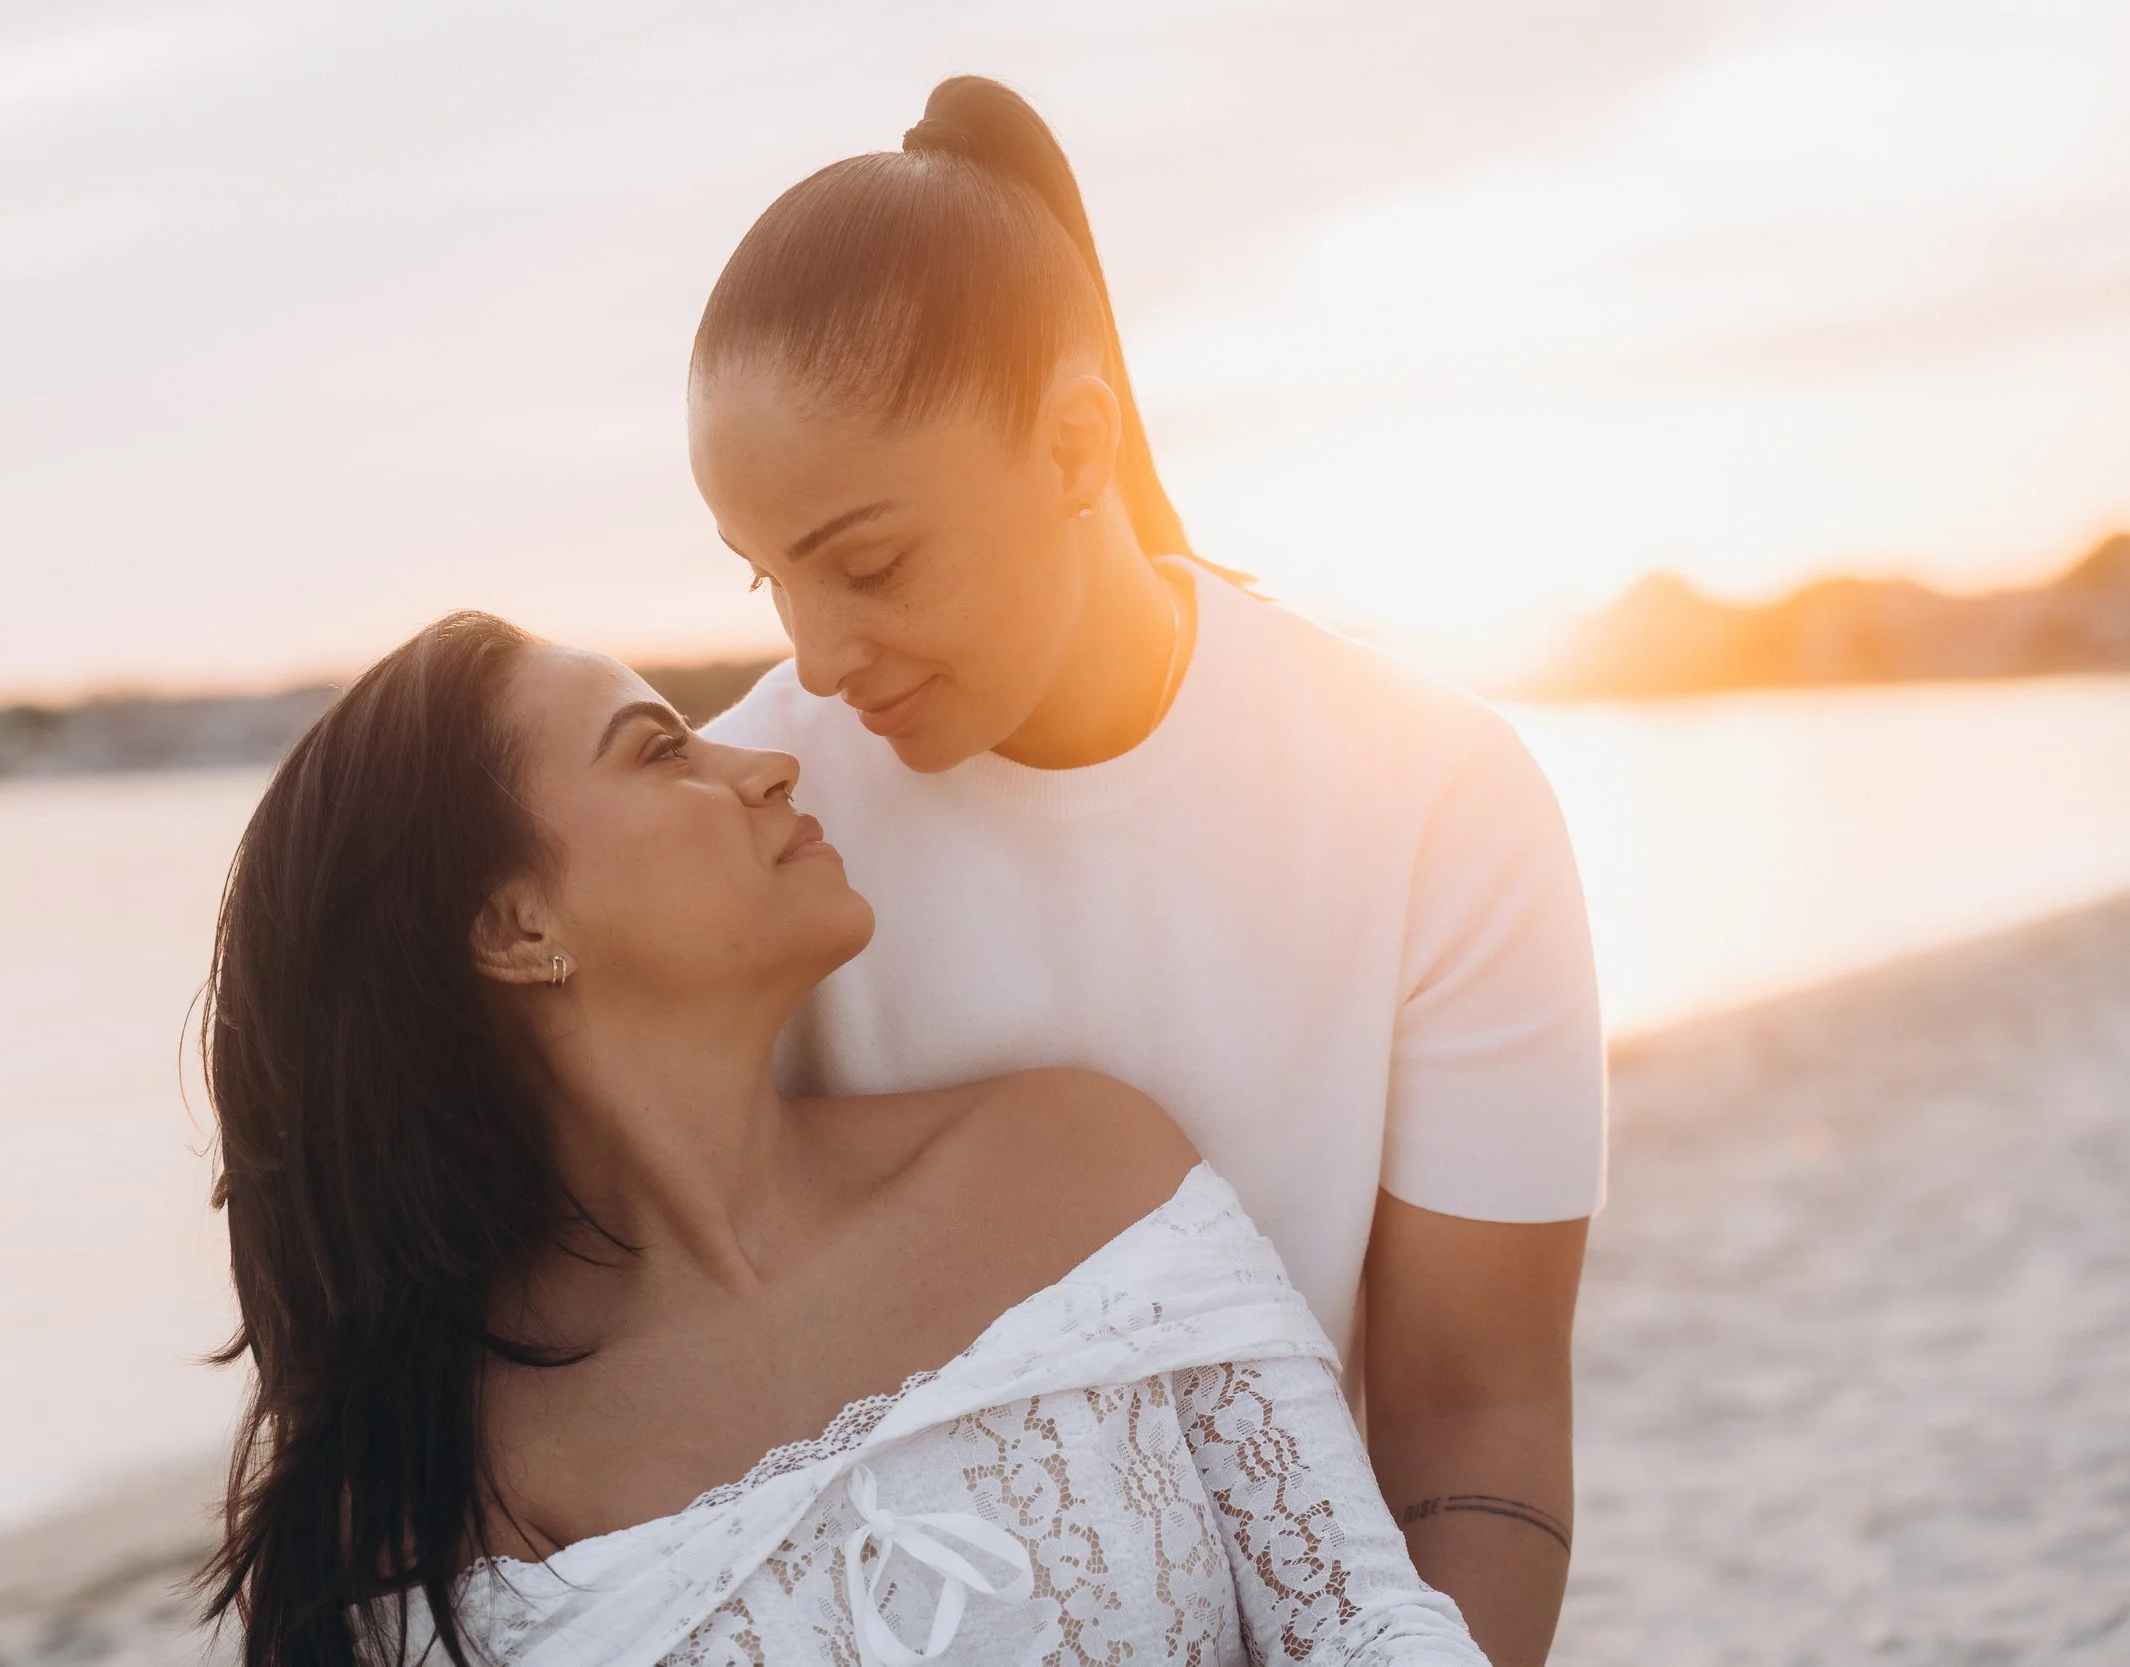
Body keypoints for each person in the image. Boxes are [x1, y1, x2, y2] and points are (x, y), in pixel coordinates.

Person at [689, 77, 1602, 1665]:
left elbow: (1481, 1414)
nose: (817, 657)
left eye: (868, 561)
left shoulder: (1439, 797)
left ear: (1074, 443)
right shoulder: (756, 822)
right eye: (770, 580)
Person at [196, 611, 1489, 1666]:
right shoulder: (414, 1502)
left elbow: (1368, 1622)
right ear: (515, 930)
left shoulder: (1081, 1166)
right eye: (658, 751)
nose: (764, 764)